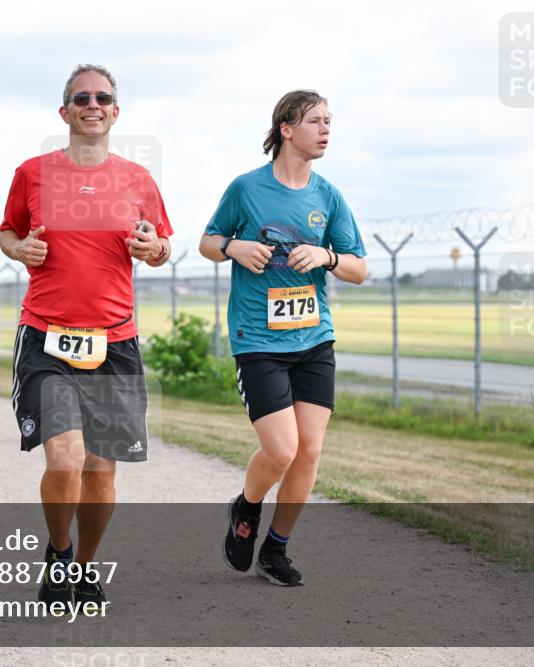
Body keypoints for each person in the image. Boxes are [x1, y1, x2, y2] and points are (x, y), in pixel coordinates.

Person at [0, 64, 173, 608]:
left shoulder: (138, 180)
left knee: (100, 471)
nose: (91, 105)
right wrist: (18, 249)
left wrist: (154, 249)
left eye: (102, 97)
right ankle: (58, 553)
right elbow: (8, 231)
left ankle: (84, 566)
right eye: (81, 98)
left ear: (115, 111)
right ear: (65, 111)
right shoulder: (32, 173)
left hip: (114, 341)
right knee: (66, 459)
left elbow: (163, 244)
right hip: (47, 337)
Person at [200, 90, 368, 586]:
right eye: (315, 121)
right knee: (281, 451)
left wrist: (327, 257)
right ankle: (247, 506)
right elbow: (207, 242)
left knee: (309, 451)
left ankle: (276, 549)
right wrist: (234, 247)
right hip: (258, 340)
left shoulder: (328, 196)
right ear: (286, 129)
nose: (326, 129)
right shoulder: (246, 188)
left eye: (329, 121)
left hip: (313, 339)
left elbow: (359, 268)